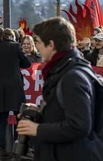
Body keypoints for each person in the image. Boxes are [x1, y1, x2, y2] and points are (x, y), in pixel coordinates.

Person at [17, 17, 95, 161]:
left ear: (51, 45)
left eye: (38, 43)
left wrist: (37, 129)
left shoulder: (72, 76)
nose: (37, 47)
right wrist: (41, 111)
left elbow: (79, 126)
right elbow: (65, 112)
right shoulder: (65, 69)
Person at [0, 28, 31, 157]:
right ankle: (21, 147)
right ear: (10, 37)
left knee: (2, 119)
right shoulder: (16, 47)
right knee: (20, 116)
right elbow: (27, 63)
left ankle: (1, 148)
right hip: (15, 87)